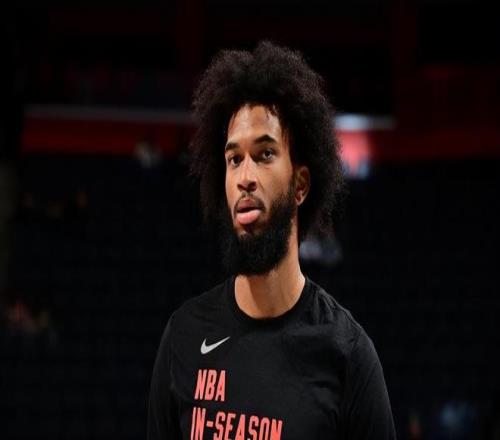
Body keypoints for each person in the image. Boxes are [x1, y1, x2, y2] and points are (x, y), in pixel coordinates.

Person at [148, 41, 396, 440]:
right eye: (234, 159)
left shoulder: (348, 355)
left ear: (300, 185)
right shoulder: (184, 336)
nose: (245, 177)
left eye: (264, 154)